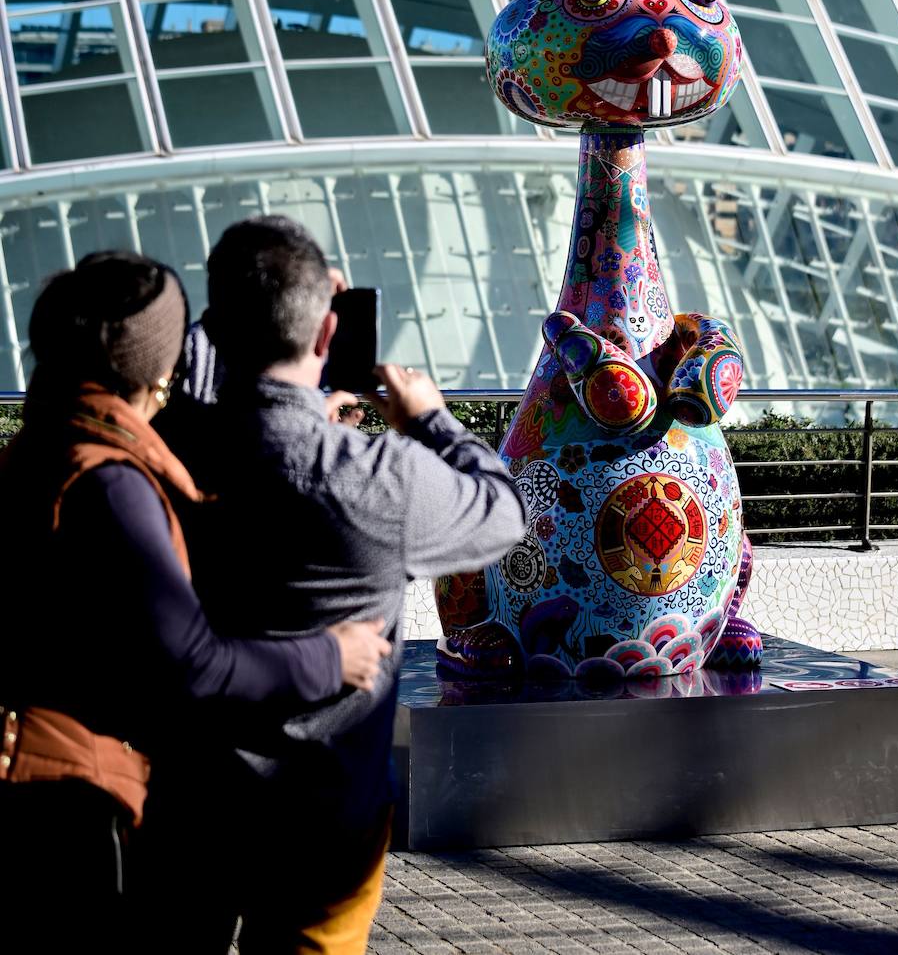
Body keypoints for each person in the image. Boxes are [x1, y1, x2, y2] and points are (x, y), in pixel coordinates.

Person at [152, 215, 527, 954]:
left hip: (186, 803)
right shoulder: (375, 478)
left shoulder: (165, 448)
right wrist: (430, 421)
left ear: (216, 323)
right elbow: (503, 512)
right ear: (328, 333)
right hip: (324, 819)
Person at [0, 251, 391, 954]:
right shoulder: (109, 481)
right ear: (157, 367)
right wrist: (332, 656)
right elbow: (194, 665)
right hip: (76, 803)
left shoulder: (45, 443)